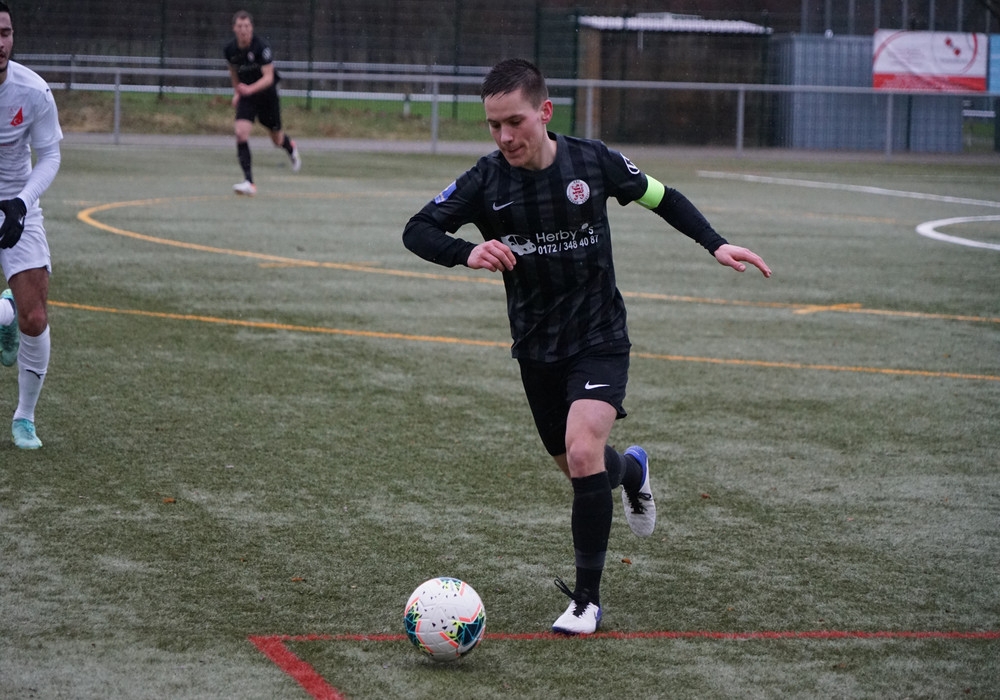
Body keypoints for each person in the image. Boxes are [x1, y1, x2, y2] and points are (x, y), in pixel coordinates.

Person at [403, 58, 771, 635]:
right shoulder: (485, 180)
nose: (505, 136)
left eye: (515, 122)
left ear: (545, 112)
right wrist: (465, 251)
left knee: (581, 453)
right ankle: (633, 470)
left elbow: (662, 196)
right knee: (581, 467)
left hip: (600, 336)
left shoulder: (592, 161)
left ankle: (587, 601)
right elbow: (417, 229)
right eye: (494, 125)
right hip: (536, 346)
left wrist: (715, 244)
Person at [0, 1, 62, 450]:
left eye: (4, 33)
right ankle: (4, 314)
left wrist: (22, 203)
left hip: (18, 203)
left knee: (35, 317)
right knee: (14, 313)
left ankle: (24, 416)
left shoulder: (33, 91)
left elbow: (51, 155)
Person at [224, 10, 301, 196]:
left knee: (277, 139)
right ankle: (249, 182)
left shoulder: (261, 47)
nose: (244, 30)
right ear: (234, 28)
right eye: (240, 26)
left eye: (247, 26)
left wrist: (250, 89)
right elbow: (233, 73)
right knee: (241, 134)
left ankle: (290, 147)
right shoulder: (230, 49)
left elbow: (268, 78)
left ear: (252, 28)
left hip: (267, 96)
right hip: (247, 96)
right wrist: (237, 93)